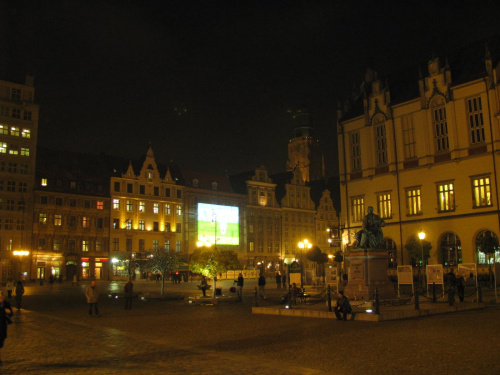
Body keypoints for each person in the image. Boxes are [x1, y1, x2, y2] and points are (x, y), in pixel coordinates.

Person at [0, 292, 14, 363]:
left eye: (2, 298)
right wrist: (3, 311)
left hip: (2, 325)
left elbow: (11, 313)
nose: (1, 299)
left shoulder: (6, 304)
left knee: (1, 340)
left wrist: (9, 312)